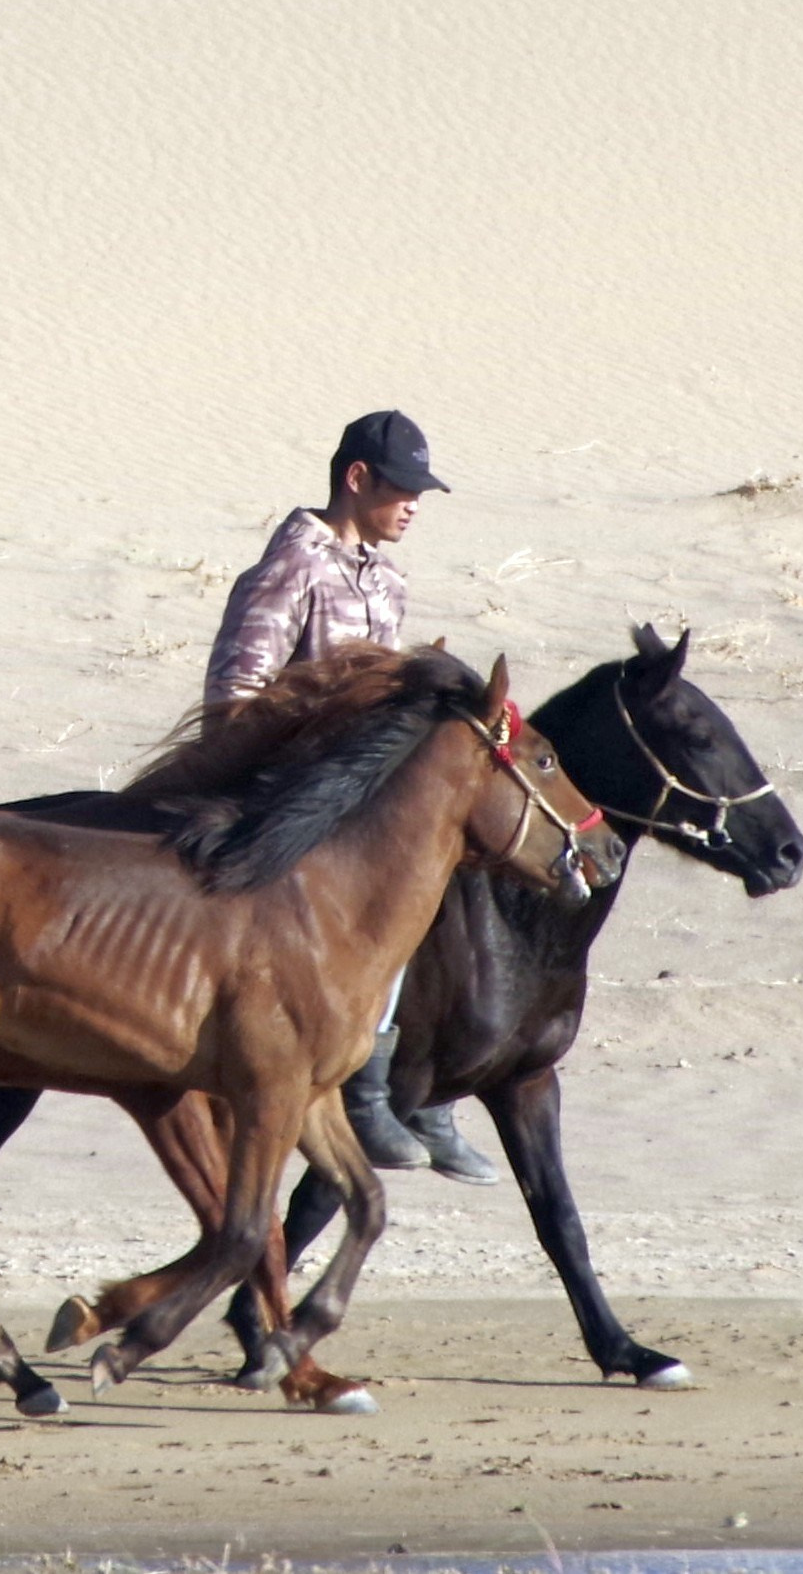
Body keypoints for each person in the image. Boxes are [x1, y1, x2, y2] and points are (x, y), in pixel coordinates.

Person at [202, 409, 499, 1186]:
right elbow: (232, 701)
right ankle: (365, 1086)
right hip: (293, 796)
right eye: (401, 488)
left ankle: (427, 1084)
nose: (413, 504)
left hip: (362, 791)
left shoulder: (387, 579)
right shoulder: (289, 569)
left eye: (419, 491)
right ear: (356, 479)